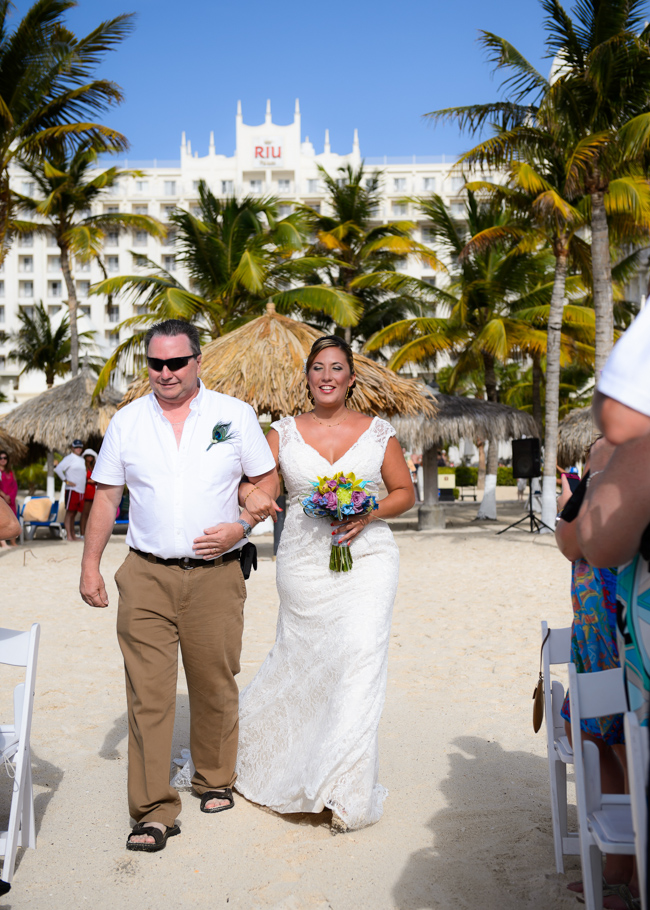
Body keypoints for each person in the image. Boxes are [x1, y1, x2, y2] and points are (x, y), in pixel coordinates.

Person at [79, 319, 279, 853]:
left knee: (214, 681)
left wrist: (244, 524)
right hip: (145, 574)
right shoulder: (125, 422)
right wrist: (90, 566)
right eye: (156, 364)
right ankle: (152, 810)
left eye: (176, 363)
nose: (165, 373)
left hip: (217, 574)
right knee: (148, 693)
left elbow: (266, 480)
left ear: (197, 362)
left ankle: (214, 777)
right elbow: (105, 497)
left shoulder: (234, 416)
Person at [234, 335, 415, 832]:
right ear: (308, 377)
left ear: (351, 379)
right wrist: (250, 494)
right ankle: (274, 760)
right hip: (304, 563)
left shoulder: (380, 433)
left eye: (337, 367)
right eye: (318, 368)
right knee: (302, 662)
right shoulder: (282, 434)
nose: (327, 375)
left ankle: (343, 791)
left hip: (369, 559)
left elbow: (405, 493)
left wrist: (368, 510)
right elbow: (264, 489)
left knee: (359, 658)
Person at [555, 439, 631, 901]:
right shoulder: (589, 477)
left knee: (624, 748)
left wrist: (575, 501)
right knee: (596, 740)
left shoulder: (622, 471)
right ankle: (620, 870)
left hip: (617, 628)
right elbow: (572, 544)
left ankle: (633, 877)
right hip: (592, 630)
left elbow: (588, 544)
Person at [54, 439, 86, 541]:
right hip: (72, 489)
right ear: (72, 448)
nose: (78, 449)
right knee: (70, 513)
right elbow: (58, 469)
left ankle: (73, 534)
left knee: (75, 513)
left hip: (81, 490)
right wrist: (66, 481)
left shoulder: (82, 459)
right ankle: (69, 535)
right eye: (76, 447)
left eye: (80, 447)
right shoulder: (69, 458)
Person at [0, 451, 18, 547]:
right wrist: (4, 496)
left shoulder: (11, 472)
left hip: (11, 500)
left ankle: (13, 542)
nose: (3, 460)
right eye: (1, 458)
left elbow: (15, 486)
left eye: (5, 458)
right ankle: (3, 543)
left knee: (13, 520)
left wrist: (10, 497)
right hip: (2, 500)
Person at [79, 448, 97, 538]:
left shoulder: (93, 467)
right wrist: (91, 481)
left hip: (93, 492)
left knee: (91, 514)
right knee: (84, 514)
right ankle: (82, 533)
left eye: (91, 456)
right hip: (86, 491)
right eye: (88, 456)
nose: (89, 457)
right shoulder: (83, 467)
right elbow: (82, 479)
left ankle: (87, 533)